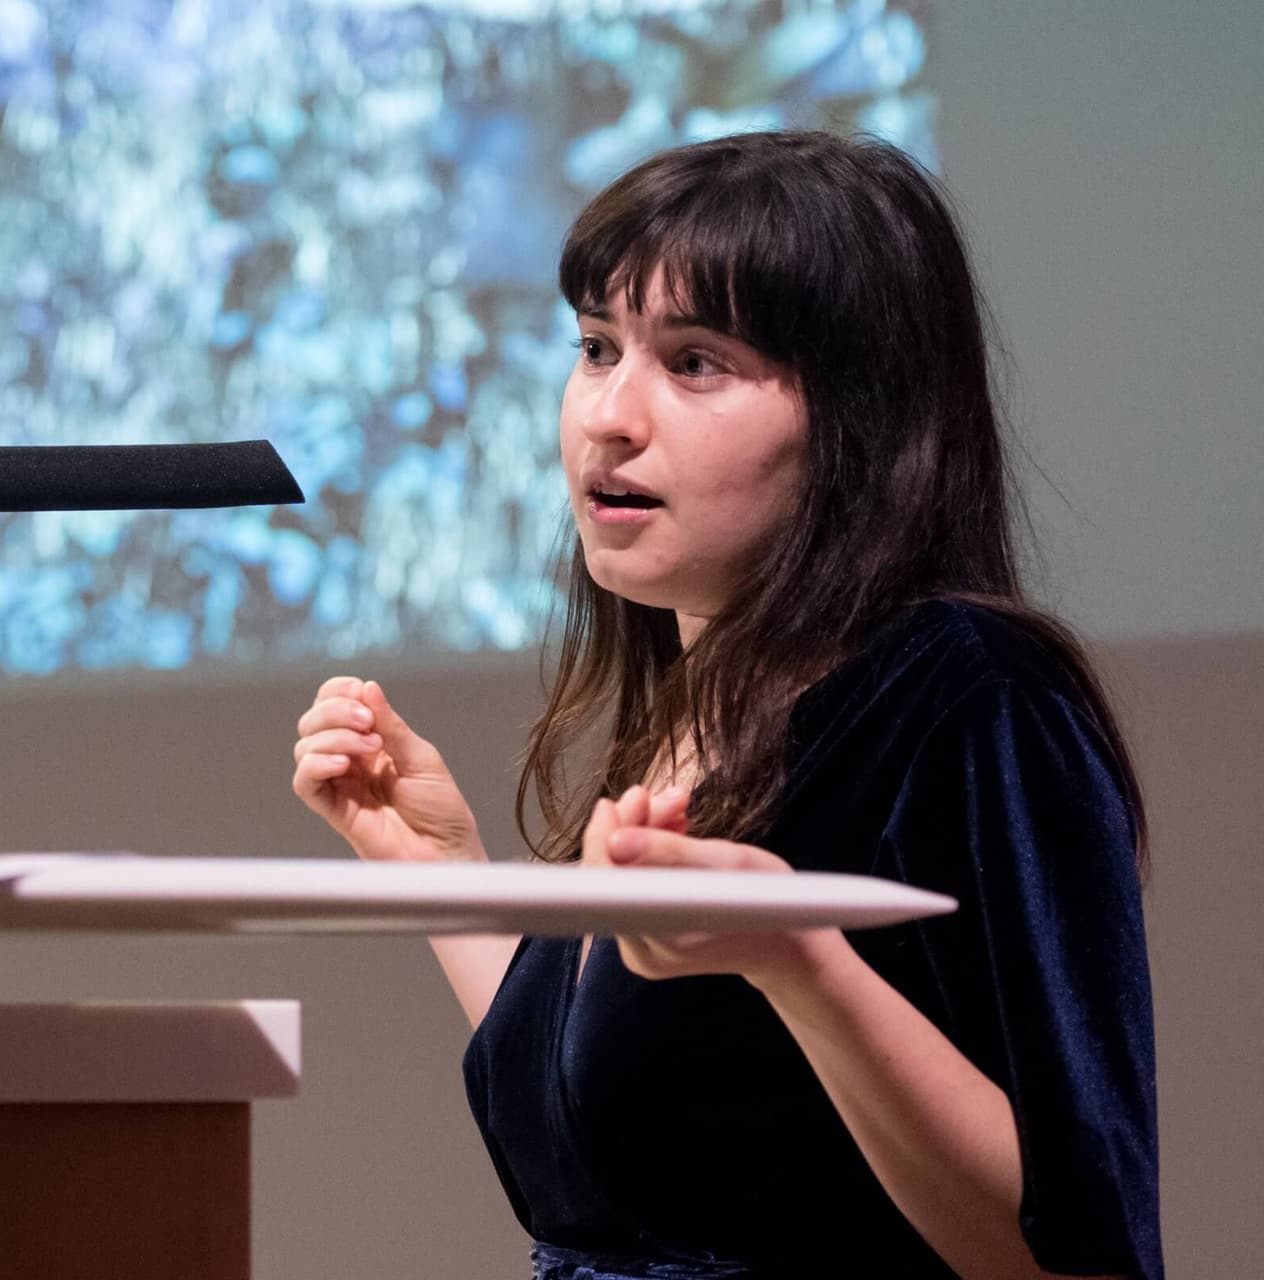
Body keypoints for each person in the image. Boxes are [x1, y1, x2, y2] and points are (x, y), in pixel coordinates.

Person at [290, 131, 1161, 1280]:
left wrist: (803, 959)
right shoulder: (699, 703)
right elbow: (612, 1154)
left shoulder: (972, 696)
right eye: (597, 349)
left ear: (860, 415)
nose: (609, 414)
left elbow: (1081, 1246)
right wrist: (437, 869)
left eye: (694, 362)